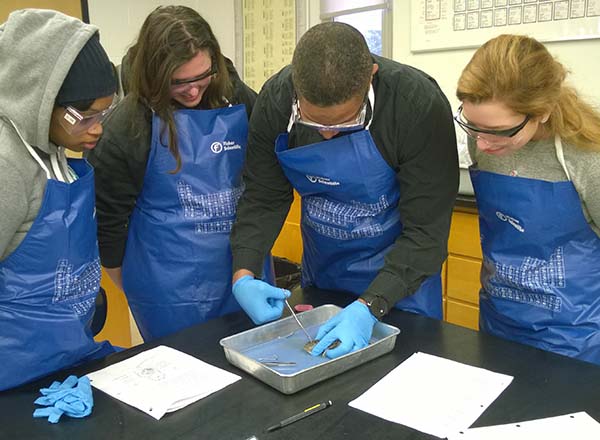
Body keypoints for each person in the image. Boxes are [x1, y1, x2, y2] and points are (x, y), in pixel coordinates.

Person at [230, 22, 459, 358]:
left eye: (345, 122)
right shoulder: (276, 100)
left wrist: (370, 307)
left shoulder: (416, 104)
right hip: (324, 273)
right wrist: (244, 275)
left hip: (403, 280)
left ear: (371, 77)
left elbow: (426, 233)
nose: (326, 135)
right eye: (313, 122)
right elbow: (264, 196)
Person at [88, 5, 271, 342]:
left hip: (244, 274)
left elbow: (267, 183)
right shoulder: (125, 130)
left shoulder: (238, 98)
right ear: (154, 76)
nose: (192, 91)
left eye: (202, 77)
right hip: (169, 292)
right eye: (178, 82)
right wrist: (140, 287)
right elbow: (109, 226)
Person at [455, 34, 600, 365]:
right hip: (499, 319)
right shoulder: (485, 138)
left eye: (501, 132)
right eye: (472, 126)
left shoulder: (588, 157)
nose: (484, 144)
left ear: (543, 112)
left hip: (575, 336)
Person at [0, 8, 118, 390]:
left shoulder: (53, 151)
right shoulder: (7, 166)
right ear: (41, 100)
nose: (97, 128)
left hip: (66, 359)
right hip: (14, 378)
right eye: (84, 116)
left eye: (104, 113)